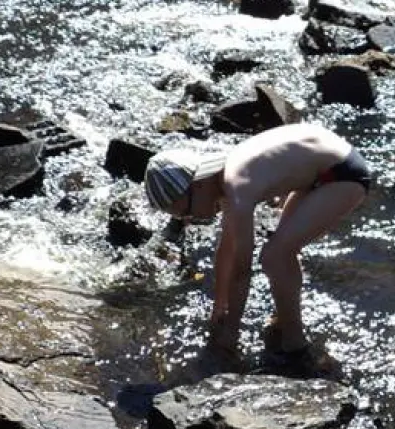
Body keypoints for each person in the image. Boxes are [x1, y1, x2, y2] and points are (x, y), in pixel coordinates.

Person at [143, 123, 372, 361]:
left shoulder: (236, 188)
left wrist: (231, 333)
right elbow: (226, 249)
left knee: (275, 256)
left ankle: (295, 343)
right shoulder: (224, 180)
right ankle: (284, 320)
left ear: (198, 184)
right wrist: (219, 304)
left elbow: (242, 270)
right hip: (319, 168)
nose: (191, 219)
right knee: (281, 252)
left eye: (187, 211)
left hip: (342, 174)